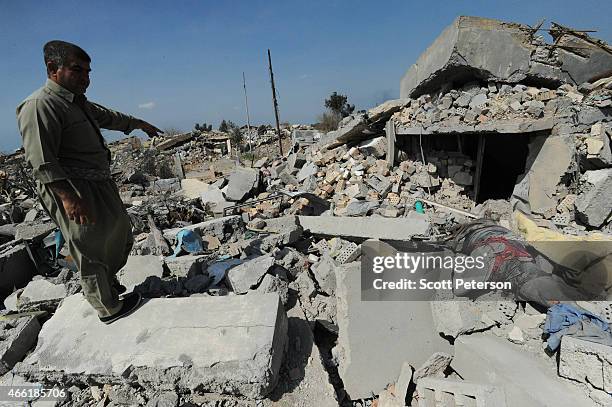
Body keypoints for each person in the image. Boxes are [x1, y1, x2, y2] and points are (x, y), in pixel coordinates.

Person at [16, 40, 163, 324]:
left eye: (88, 71)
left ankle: (106, 284)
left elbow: (108, 116)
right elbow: (41, 161)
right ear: (52, 68)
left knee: (119, 233)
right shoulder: (40, 105)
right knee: (89, 245)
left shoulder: (75, 101)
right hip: (71, 187)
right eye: (77, 70)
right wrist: (68, 198)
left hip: (97, 182)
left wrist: (138, 123)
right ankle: (107, 308)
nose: (86, 78)